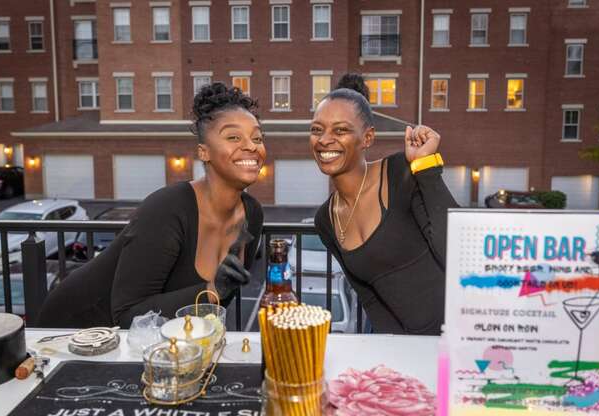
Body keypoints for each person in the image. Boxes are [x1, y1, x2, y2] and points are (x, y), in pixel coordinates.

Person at [38, 82, 266, 328]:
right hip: (77, 330)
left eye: (257, 137)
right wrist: (211, 290)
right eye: (233, 137)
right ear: (203, 152)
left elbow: (215, 306)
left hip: (157, 343)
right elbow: (127, 315)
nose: (252, 146)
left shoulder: (252, 214)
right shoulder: (168, 208)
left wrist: (214, 296)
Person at [311, 74, 458, 335]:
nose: (324, 140)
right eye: (317, 129)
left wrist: (424, 166)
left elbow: (457, 249)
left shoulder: (400, 172)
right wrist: (393, 348)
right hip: (403, 346)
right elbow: (369, 297)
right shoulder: (325, 220)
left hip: (455, 335)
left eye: (340, 130)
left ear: (367, 138)